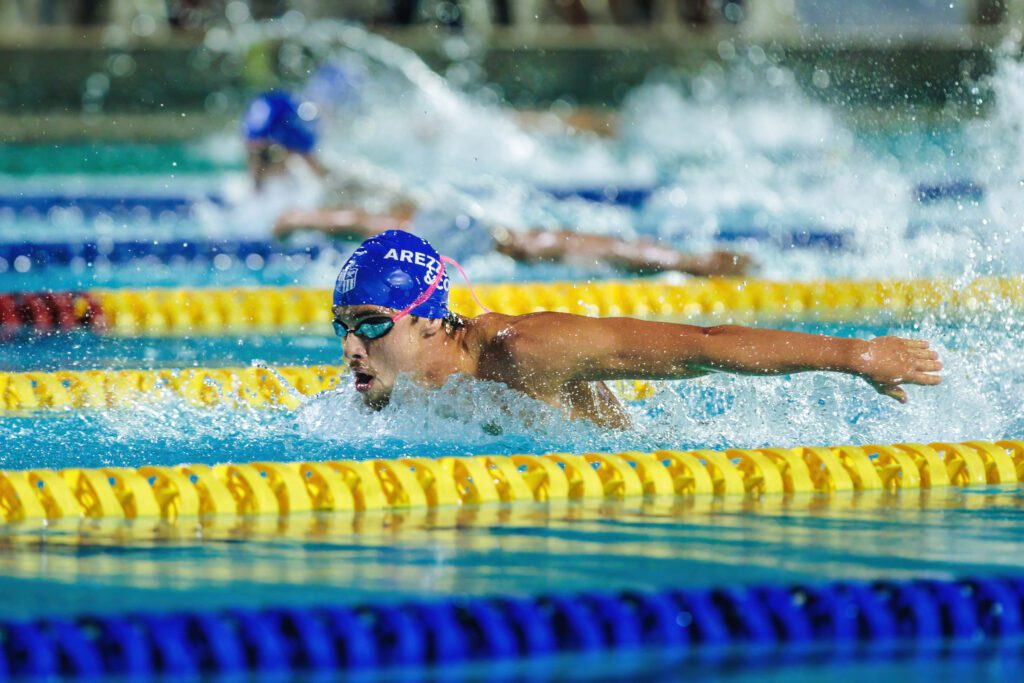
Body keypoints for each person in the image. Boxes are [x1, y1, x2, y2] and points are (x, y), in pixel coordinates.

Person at [332, 231, 943, 428]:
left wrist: (856, 353)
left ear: (434, 319)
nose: (351, 348)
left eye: (370, 324)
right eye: (342, 327)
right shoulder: (383, 396)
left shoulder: (525, 349)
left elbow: (704, 348)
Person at [243, 90, 751, 277]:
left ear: (279, 148)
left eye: (260, 152)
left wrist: (307, 220)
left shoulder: (317, 181)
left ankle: (691, 261)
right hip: (423, 230)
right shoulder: (300, 177)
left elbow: (366, 219)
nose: (253, 164)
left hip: (434, 224)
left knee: (532, 244)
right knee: (535, 245)